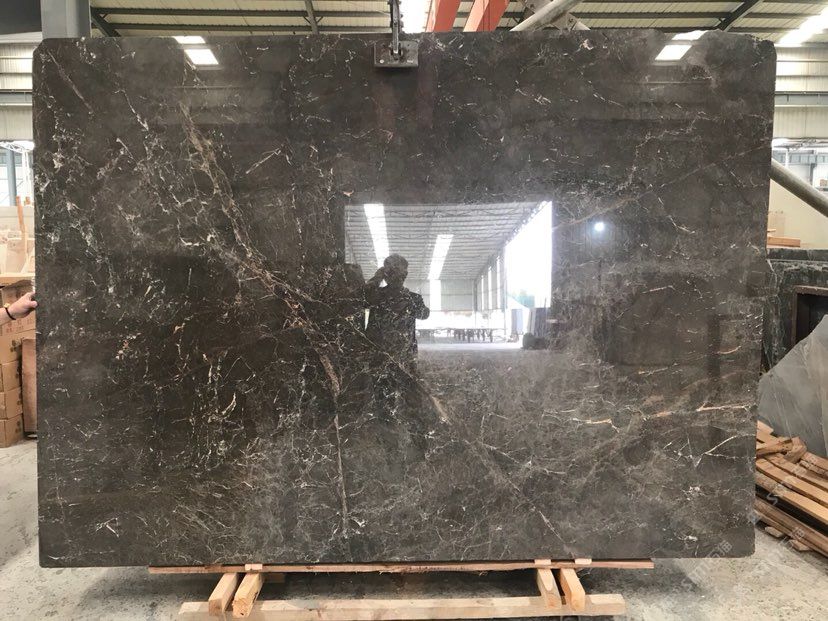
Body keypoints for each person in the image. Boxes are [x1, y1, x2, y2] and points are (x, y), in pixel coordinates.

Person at [364, 254, 429, 369]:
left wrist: (407, 301)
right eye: (392, 272)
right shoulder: (377, 295)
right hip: (379, 356)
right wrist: (377, 278)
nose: (397, 276)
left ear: (405, 275)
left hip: (404, 356)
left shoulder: (413, 298)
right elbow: (361, 298)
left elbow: (424, 314)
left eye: (399, 273)